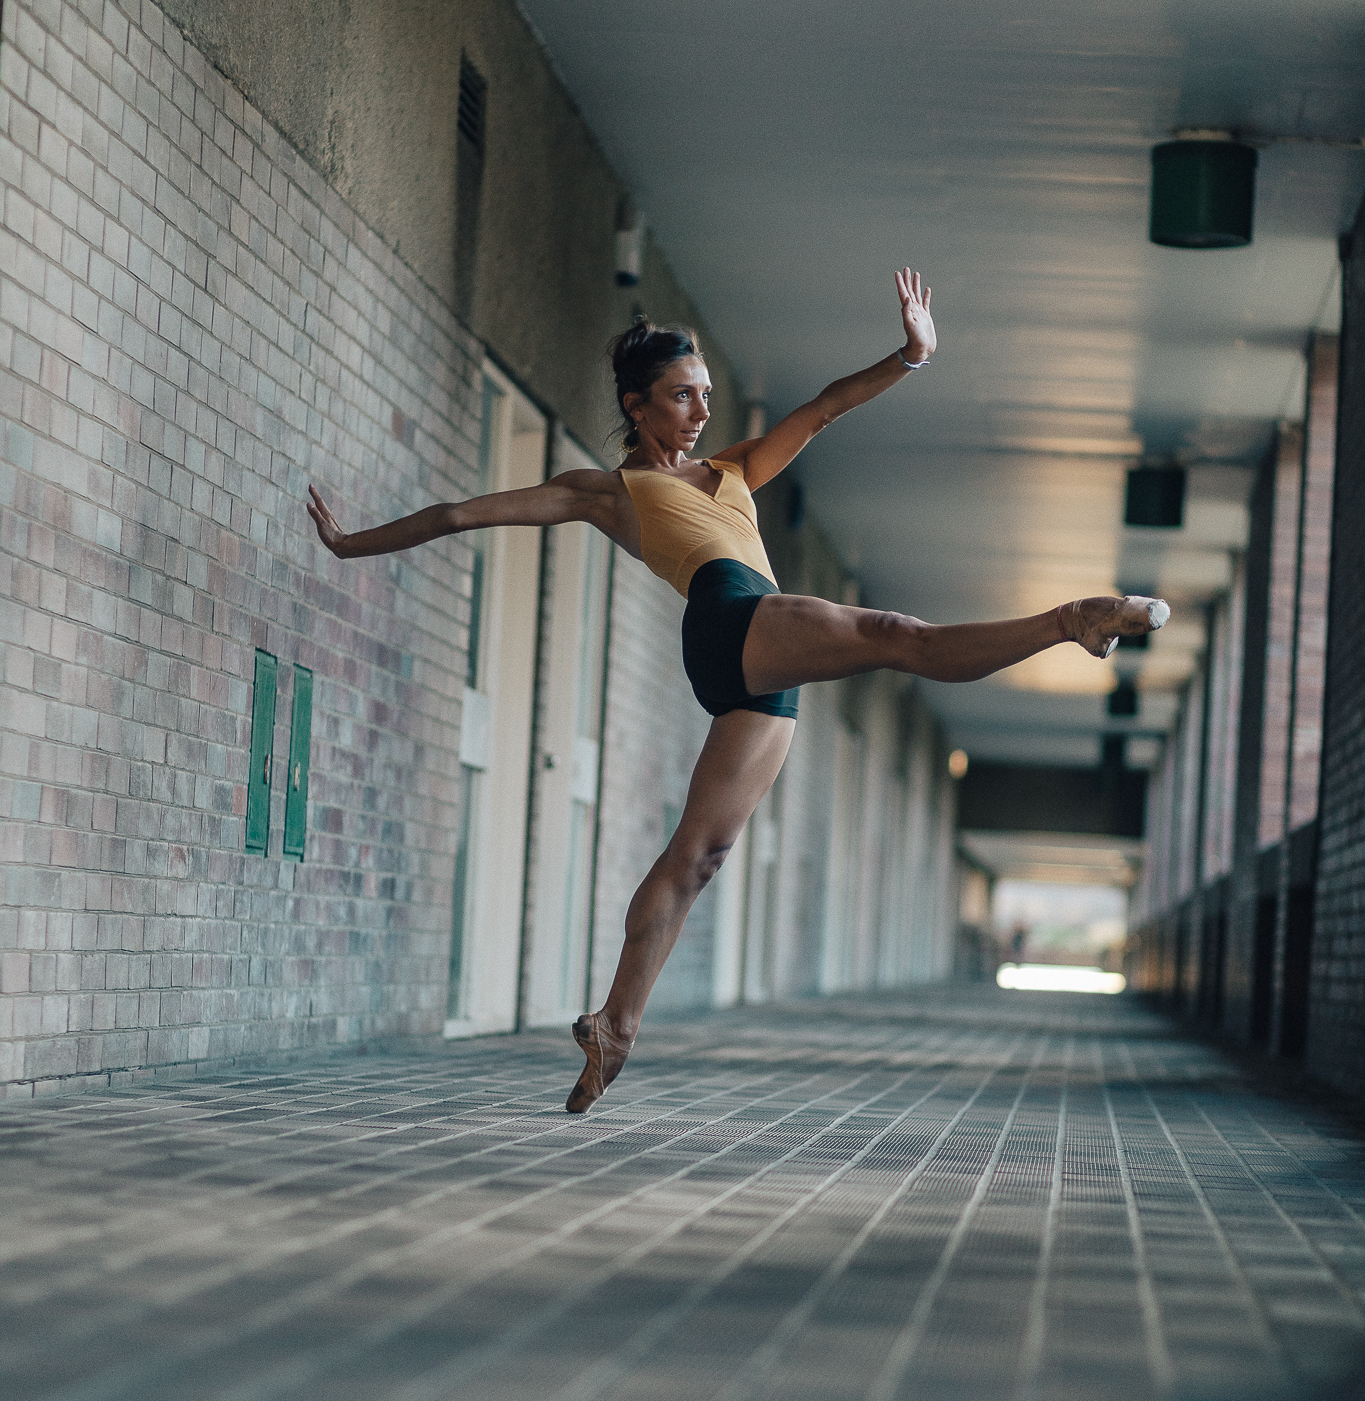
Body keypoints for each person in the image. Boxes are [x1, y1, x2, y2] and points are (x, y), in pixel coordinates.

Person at [307, 269, 1168, 1113]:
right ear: (637, 404)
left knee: (700, 857)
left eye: (707, 393)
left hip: (762, 658)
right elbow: (461, 514)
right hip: (730, 621)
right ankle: (1071, 620)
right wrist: (351, 545)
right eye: (683, 395)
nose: (701, 409)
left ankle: (614, 1026)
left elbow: (825, 406)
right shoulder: (605, 492)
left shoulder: (735, 469)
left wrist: (908, 357)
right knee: (895, 636)